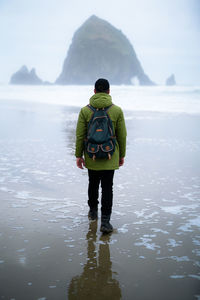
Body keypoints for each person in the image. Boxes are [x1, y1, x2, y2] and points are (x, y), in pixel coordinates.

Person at [75, 78, 127, 233]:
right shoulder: (116, 110)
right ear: (109, 91)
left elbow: (79, 135)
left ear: (94, 91)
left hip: (91, 155)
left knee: (93, 183)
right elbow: (122, 135)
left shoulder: (85, 110)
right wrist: (121, 155)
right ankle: (105, 222)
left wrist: (78, 155)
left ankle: (93, 212)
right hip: (111, 155)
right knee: (107, 187)